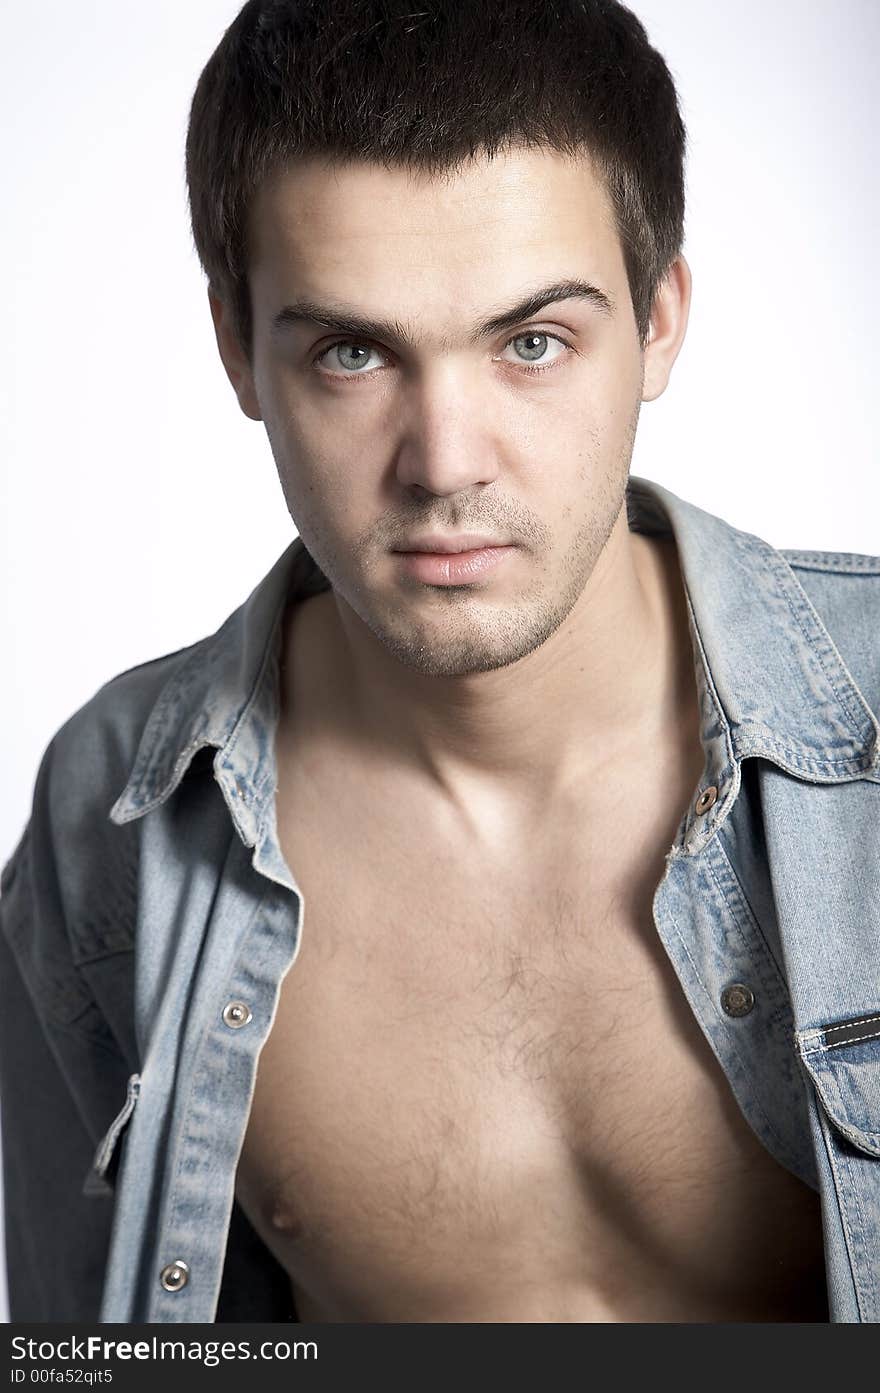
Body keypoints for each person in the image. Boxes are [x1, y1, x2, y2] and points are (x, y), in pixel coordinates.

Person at [2, 0, 879, 1326]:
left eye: (533, 342)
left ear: (660, 320)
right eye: (353, 352)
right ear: (241, 348)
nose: (446, 459)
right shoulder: (112, 816)